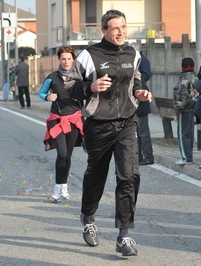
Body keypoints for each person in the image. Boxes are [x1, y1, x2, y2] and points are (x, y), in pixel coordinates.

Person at [66, 9, 152, 257]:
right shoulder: (88, 55)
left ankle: (124, 236)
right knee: (96, 176)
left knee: (129, 176)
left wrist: (140, 92)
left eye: (123, 26)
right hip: (98, 125)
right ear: (103, 31)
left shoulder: (133, 53)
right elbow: (69, 86)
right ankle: (88, 217)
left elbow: (136, 79)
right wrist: (90, 86)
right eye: (115, 28)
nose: (120, 32)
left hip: (126, 123)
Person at [39, 46, 84, 202]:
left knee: (69, 156)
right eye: (63, 59)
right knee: (62, 154)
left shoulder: (79, 77)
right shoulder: (52, 77)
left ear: (73, 60)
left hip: (74, 120)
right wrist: (47, 98)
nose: (66, 62)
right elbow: (42, 92)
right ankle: (57, 188)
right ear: (59, 59)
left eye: (69, 59)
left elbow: (88, 92)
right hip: (57, 120)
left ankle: (64, 186)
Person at [129, 42, 154, 166]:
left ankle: (148, 156)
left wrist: (135, 81)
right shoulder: (131, 62)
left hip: (141, 101)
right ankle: (138, 157)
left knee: (143, 132)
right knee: (135, 132)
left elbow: (146, 75)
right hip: (133, 101)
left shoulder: (142, 61)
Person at [173, 57, 199, 165]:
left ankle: (185, 157)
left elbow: (181, 98)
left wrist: (177, 112)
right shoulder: (196, 78)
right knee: (189, 134)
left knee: (182, 134)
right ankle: (189, 156)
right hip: (193, 109)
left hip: (184, 110)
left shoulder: (183, 80)